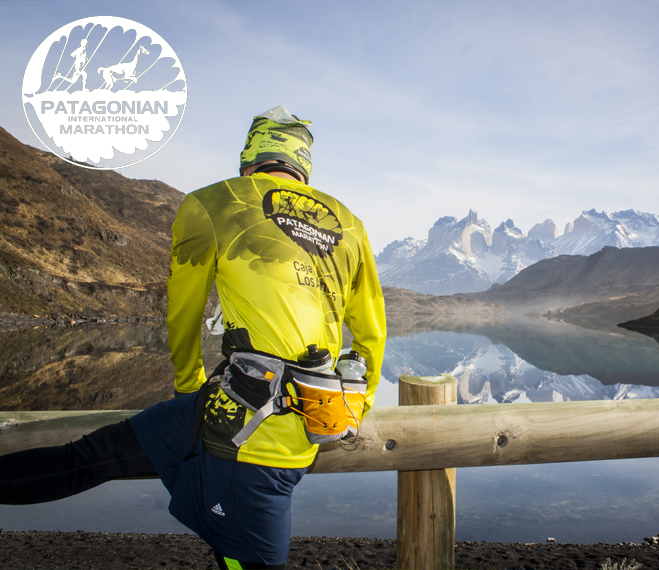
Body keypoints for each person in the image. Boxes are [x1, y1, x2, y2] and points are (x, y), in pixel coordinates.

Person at [0, 106, 387, 570]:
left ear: (251, 156)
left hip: (245, 434)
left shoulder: (212, 202)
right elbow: (371, 336)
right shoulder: (350, 226)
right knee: (102, 456)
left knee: (87, 459)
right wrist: (352, 410)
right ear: (302, 164)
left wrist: (189, 383)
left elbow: (182, 315)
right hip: (284, 419)